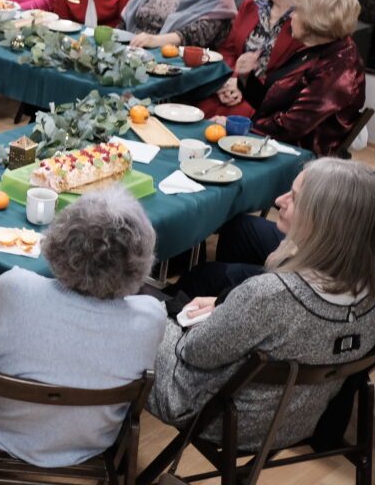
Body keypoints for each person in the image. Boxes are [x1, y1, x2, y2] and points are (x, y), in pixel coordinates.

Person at [148, 159, 375, 453]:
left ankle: (102, 433)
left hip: (219, 417)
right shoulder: (365, 296)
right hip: (293, 422)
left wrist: (154, 312)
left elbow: (192, 353)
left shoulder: (269, 295)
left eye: (294, 198)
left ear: (323, 223)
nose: (279, 200)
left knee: (137, 306)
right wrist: (226, 311)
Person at [0, 190, 164, 467]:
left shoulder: (15, 288)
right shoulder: (151, 317)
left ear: (61, 239)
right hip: (89, 440)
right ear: (138, 260)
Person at [213, 0, 365, 157]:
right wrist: (246, 77)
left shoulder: (340, 65)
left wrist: (238, 127)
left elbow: (293, 126)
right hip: (274, 142)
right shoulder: (314, 48)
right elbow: (271, 102)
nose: (292, 15)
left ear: (316, 19)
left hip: (301, 157)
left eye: (297, 11)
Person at [198, 0, 317, 119]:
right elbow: (228, 50)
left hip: (264, 104)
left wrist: (244, 86)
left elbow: (291, 80)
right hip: (228, 87)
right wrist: (232, 81)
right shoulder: (251, 5)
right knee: (192, 114)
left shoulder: (304, 22)